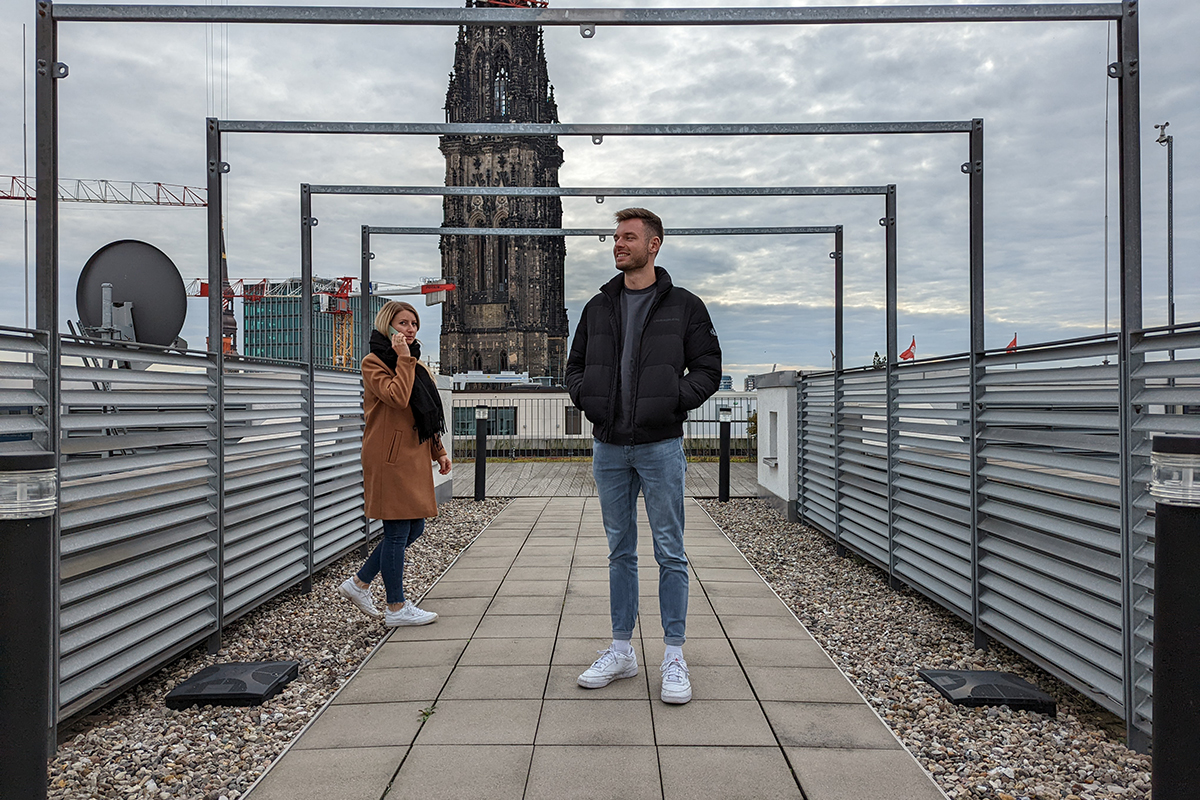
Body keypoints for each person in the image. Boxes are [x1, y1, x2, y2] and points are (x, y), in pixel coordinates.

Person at [565, 207, 721, 704]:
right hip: (609, 445)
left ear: (654, 245)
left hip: (659, 444)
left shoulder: (684, 306)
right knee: (619, 551)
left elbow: (708, 367)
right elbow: (574, 367)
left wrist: (674, 398)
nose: (618, 245)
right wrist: (587, 398)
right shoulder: (597, 307)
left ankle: (673, 653)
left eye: (628, 238)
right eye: (615, 238)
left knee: (670, 551)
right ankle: (621, 650)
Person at [338, 300, 452, 627]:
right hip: (389, 458)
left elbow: (423, 413)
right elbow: (397, 397)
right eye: (403, 323)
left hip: (411, 455)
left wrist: (439, 451)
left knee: (413, 526)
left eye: (414, 324)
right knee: (398, 529)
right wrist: (404, 359)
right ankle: (396, 608)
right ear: (388, 326)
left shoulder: (412, 363)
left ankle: (359, 583)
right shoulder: (374, 362)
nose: (410, 329)